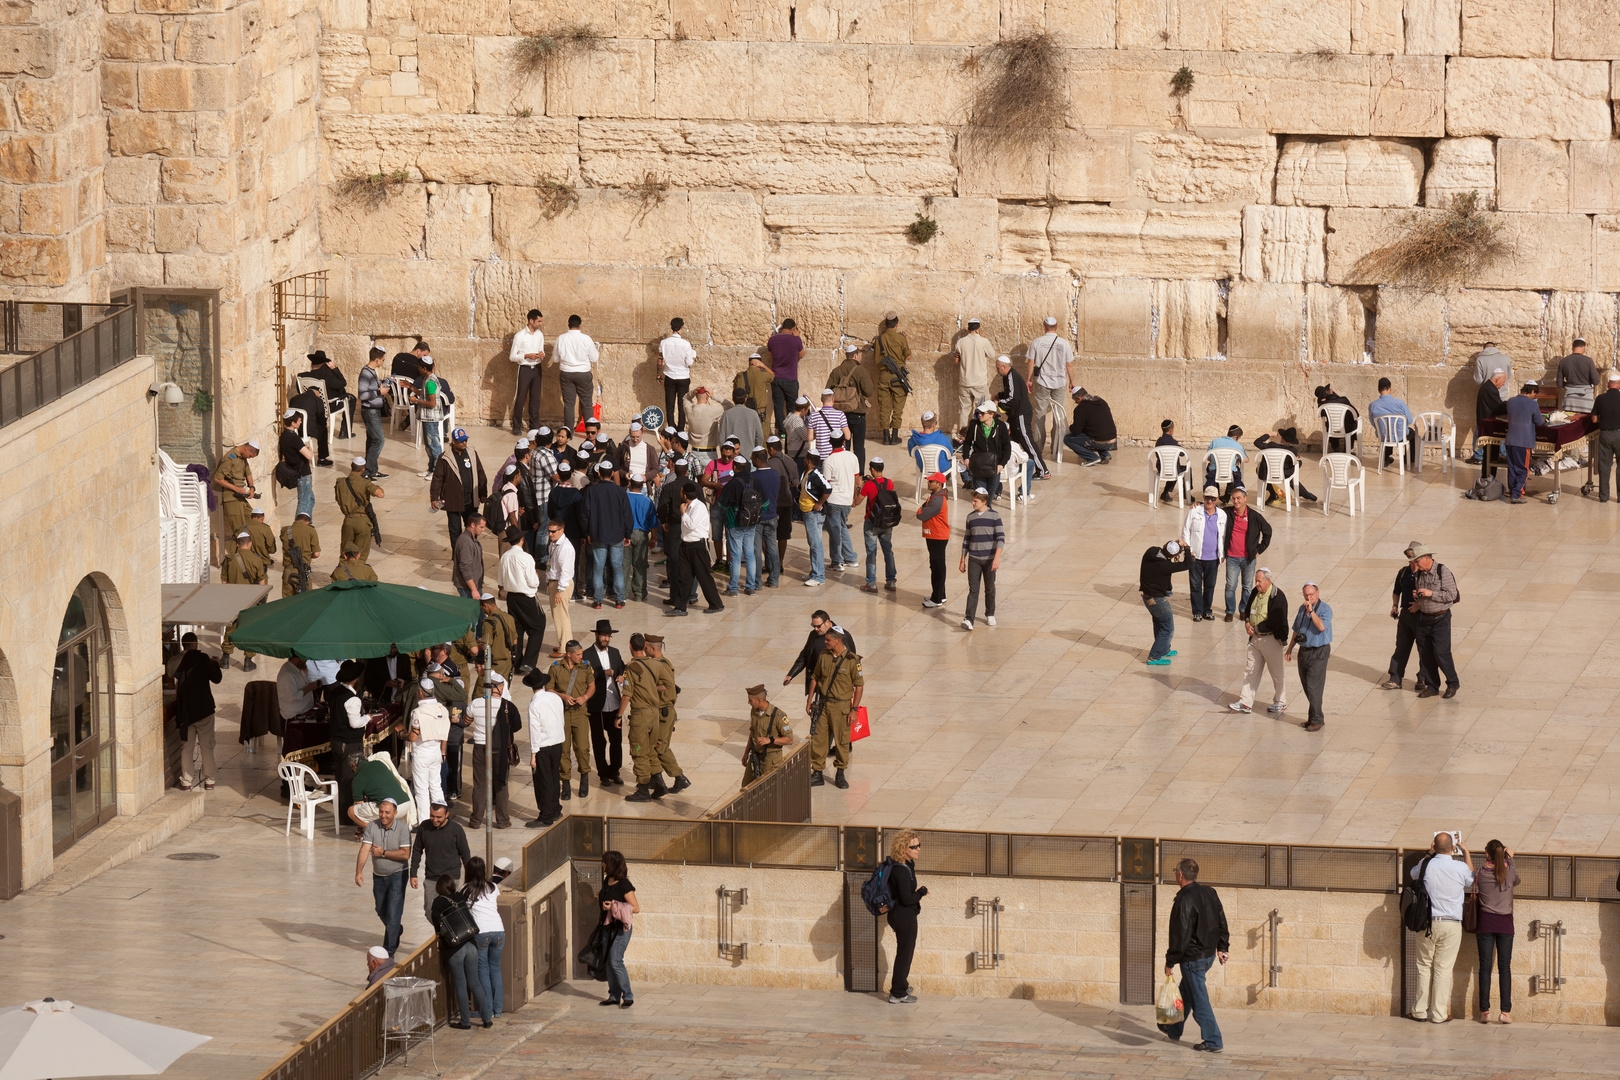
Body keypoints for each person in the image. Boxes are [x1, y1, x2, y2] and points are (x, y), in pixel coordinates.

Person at [1158, 857, 1228, 1053]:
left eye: (1175, 871)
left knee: (1199, 1000)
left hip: (1193, 959)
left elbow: (1179, 935)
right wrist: (1223, 947)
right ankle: (1174, 1028)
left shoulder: (1184, 899)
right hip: (1208, 956)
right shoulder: (1210, 892)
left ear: (1180, 874)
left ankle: (1213, 1041)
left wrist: (1170, 961)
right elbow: (1222, 921)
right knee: (1186, 991)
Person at [1408, 832, 1477, 1024]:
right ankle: (1438, 1014)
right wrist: (1466, 853)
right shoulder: (1460, 867)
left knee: (1423, 966)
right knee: (1443, 969)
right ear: (1453, 847)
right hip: (1451, 924)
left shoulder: (1425, 864)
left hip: (1426, 922)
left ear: (1434, 846)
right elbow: (1472, 880)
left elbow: (1413, 874)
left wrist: (1429, 854)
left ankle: (1420, 1011)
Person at [806, 624, 863, 789]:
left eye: (828, 640)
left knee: (842, 741)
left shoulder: (853, 660)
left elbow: (859, 686)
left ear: (838, 640)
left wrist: (854, 709)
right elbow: (815, 677)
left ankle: (840, 774)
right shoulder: (824, 655)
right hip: (823, 704)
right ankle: (817, 772)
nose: (825, 642)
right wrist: (809, 701)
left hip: (842, 707)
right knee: (818, 739)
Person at [354, 797, 411, 959]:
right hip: (378, 876)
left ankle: (389, 951)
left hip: (398, 875)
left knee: (393, 913)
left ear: (395, 813)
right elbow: (365, 849)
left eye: (387, 812)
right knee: (380, 909)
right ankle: (396, 930)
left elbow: (405, 854)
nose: (383, 815)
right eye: (381, 812)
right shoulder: (372, 826)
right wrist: (359, 871)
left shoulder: (403, 829)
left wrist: (383, 853)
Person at [1230, 567, 1288, 715]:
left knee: (1276, 672)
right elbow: (1248, 608)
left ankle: (1280, 702)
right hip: (1255, 640)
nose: (1256, 584)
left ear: (1267, 580)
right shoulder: (1256, 592)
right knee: (1250, 670)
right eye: (1256, 581)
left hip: (1271, 640)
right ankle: (1245, 702)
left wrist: (1256, 629)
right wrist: (1248, 623)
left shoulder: (1278, 596)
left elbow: (1276, 621)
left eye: (1259, 581)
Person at [465, 670, 517, 830]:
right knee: (501, 784)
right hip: (500, 749)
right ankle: (502, 820)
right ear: (500, 688)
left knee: (480, 784)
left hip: (480, 747)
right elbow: (516, 726)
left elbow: (467, 721)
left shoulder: (475, 703)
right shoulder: (507, 705)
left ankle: (476, 820)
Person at [1408, 544, 1460, 699]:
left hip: (1440, 619)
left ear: (1426, 558)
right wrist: (1418, 596)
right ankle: (1432, 686)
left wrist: (1431, 593)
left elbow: (1451, 595)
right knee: (1425, 654)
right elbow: (1422, 596)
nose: (1415, 565)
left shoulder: (1442, 571)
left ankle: (1452, 683)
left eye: (1417, 561)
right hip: (1424, 619)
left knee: (1441, 653)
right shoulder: (1419, 574)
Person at [171, 632, 222, 791]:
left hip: (185, 712)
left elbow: (169, 678)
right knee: (207, 746)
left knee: (187, 747)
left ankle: (186, 781)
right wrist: (215, 664)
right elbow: (216, 678)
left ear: (182, 644)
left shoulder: (174, 661)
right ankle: (210, 780)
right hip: (204, 710)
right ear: (194, 644)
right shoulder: (203, 658)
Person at [619, 633, 667, 803]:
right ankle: (659, 782)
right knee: (651, 750)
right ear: (644, 647)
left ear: (631, 647)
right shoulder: (656, 664)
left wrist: (618, 716)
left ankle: (643, 789)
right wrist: (650, 690)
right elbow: (666, 685)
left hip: (640, 717)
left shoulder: (631, 667)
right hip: (654, 715)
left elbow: (626, 695)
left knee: (638, 751)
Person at [1476, 839, 1520, 1024]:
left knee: (1485, 968)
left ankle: (1485, 1012)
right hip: (1505, 924)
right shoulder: (1508, 872)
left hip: (1485, 922)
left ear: (1487, 854)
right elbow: (1517, 880)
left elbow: (1472, 879)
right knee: (1505, 968)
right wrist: (1510, 859)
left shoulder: (1480, 873)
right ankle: (1505, 1012)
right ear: (1503, 854)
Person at [883, 829, 927, 1004]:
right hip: (903, 916)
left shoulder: (906, 864)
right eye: (913, 846)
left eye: (918, 845)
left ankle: (901, 985)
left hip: (902, 915)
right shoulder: (901, 870)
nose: (918, 849)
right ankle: (898, 993)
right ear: (903, 848)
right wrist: (922, 891)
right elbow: (907, 899)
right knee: (904, 954)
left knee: (904, 952)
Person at [548, 639, 594, 802]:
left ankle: (584, 778)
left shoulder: (585, 667)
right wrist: (564, 696)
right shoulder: (555, 668)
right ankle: (565, 783)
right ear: (568, 654)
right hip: (562, 713)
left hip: (580, 713)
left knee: (582, 747)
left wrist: (585, 697)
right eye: (578, 654)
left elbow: (591, 686)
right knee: (563, 749)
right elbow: (549, 689)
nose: (581, 656)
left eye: (581, 654)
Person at [668, 481, 724, 616]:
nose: (680, 494)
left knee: (704, 576)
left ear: (685, 495)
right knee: (684, 577)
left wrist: (683, 513)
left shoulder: (699, 507)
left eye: (681, 492)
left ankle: (716, 604)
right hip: (686, 546)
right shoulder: (688, 506)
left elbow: (691, 525)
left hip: (697, 547)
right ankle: (680, 607)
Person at [582, 460, 632, 609]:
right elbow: (627, 515)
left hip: (598, 534)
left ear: (598, 473)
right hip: (617, 535)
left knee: (598, 568)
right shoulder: (620, 491)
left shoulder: (591, 491)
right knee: (617, 567)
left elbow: (585, 515)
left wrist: (587, 533)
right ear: (611, 474)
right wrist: (627, 534)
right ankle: (619, 599)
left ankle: (598, 600)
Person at [430, 874, 478, 1028]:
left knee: (460, 985)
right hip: (470, 942)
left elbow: (436, 920)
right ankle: (487, 1019)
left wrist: (440, 932)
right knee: (475, 983)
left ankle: (465, 1022)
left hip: (455, 947)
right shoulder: (459, 896)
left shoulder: (438, 901)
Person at [462, 856, 505, 1027]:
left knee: (483, 970)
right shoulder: (493, 886)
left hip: (482, 933)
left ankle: (485, 1009)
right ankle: (498, 1009)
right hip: (499, 931)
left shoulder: (465, 889)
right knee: (495, 968)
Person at [409, 803, 469, 923]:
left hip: (451, 879)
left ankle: (447, 935)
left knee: (450, 910)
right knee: (429, 910)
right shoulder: (424, 827)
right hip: (432, 877)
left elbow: (465, 854)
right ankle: (443, 931)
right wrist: (413, 873)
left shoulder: (456, 830)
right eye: (432, 816)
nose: (434, 820)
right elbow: (417, 850)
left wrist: (469, 880)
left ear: (447, 815)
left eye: (438, 817)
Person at [1284, 582, 1332, 732]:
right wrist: (1290, 648)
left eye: (1311, 594)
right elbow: (1296, 630)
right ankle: (1312, 717)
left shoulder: (1325, 609)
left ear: (1317, 593)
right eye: (1306, 595)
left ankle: (1318, 719)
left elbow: (1321, 627)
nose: (1308, 597)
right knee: (1307, 686)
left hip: (1318, 651)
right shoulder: (1301, 608)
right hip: (1304, 651)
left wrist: (1311, 612)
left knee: (1314, 687)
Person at [1026, 316, 1073, 466]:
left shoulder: (1037, 342)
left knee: (1040, 414)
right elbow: (1069, 365)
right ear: (1056, 327)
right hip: (1059, 382)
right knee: (1058, 415)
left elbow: (1031, 363)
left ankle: (1038, 448)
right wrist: (1073, 382)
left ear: (1044, 326)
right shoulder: (1064, 343)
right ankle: (1055, 448)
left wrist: (1028, 380)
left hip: (1043, 382)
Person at [1220, 487, 1270, 622]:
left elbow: (1268, 531)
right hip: (1232, 557)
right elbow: (1212, 509)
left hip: (1249, 558)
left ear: (1245, 499)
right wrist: (1198, 505)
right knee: (1230, 585)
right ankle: (1230, 611)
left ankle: (1244, 610)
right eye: (1234, 498)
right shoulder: (1227, 513)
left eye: (1238, 498)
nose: (1236, 501)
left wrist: (1259, 550)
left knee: (1247, 586)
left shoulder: (1254, 516)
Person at [430, 428, 488, 549]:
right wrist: (434, 497)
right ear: (454, 441)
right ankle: (457, 555)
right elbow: (437, 478)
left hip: (471, 501)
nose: (464, 443)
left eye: (465, 440)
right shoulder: (445, 458)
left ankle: (472, 551)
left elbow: (480, 473)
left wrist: (483, 493)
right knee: (455, 531)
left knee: (473, 528)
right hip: (453, 502)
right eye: (461, 441)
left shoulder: (472, 453)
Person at [585, 620, 626, 786]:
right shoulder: (587, 655)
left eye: (608, 636)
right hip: (596, 704)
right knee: (598, 740)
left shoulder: (615, 653)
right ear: (596, 634)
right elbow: (585, 677)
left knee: (616, 739)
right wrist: (603, 673)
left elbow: (623, 668)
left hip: (614, 702)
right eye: (603, 635)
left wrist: (622, 676)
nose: (606, 639)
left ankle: (615, 771)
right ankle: (603, 773)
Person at [219, 532, 267, 671]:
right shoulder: (257, 560)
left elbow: (224, 582)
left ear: (238, 545)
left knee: (231, 628)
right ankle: (248, 661)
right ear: (250, 543)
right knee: (250, 629)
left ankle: (225, 658)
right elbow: (262, 583)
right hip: (251, 600)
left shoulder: (229, 560)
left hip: (234, 599)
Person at [499, 529, 544, 674]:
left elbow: (500, 580)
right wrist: (537, 577)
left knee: (517, 629)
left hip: (511, 597)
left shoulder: (504, 557)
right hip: (525, 597)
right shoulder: (526, 557)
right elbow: (532, 582)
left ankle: (517, 662)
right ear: (522, 540)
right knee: (537, 627)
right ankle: (529, 662)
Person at [598, 849, 639, 1008]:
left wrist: (613, 906)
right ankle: (613, 996)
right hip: (607, 927)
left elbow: (635, 908)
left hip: (622, 928)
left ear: (612, 864)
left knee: (615, 961)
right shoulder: (607, 880)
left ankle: (627, 995)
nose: (603, 864)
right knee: (609, 962)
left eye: (605, 862)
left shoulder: (624, 884)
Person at [524, 667, 565, 827]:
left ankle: (546, 815)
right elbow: (561, 718)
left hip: (543, 746)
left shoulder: (534, 705)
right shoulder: (554, 697)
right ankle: (555, 809)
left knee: (543, 781)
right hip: (557, 742)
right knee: (554, 777)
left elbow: (534, 731)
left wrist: (534, 754)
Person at [958, 486, 1003, 631]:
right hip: (974, 559)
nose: (973, 503)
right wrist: (962, 559)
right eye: (972, 501)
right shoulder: (970, 517)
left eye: (975, 501)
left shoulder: (995, 516)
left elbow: (1001, 538)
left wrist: (997, 558)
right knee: (973, 590)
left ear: (984, 501)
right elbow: (967, 539)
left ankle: (990, 613)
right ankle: (968, 619)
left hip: (990, 559)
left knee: (989, 588)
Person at [995, 355, 1044, 485]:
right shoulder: (1008, 377)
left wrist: (998, 403)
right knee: (1011, 441)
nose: (997, 370)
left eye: (998, 368)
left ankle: (1043, 470)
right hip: (1015, 415)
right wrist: (999, 395)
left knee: (1027, 441)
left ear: (1004, 367)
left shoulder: (1011, 376)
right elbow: (1010, 393)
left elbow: (1013, 399)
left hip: (1021, 414)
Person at [1139, 540, 1190, 666]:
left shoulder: (1151, 551)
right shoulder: (1165, 566)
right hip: (1157, 600)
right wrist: (1187, 548)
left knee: (1159, 623)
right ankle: (1154, 656)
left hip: (1147, 598)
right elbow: (1188, 564)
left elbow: (1164, 553)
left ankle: (1164, 649)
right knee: (1167, 627)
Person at [407, 678, 451, 823]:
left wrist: (402, 734)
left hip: (422, 753)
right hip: (436, 752)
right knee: (436, 786)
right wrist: (443, 751)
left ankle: (425, 822)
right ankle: (441, 818)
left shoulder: (418, 712)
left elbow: (413, 737)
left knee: (421, 790)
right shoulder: (442, 710)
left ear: (420, 692)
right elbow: (445, 733)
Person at [1380, 542, 1422, 691]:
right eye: (1409, 557)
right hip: (1405, 615)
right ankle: (1395, 678)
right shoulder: (1403, 572)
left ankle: (1422, 679)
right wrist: (1394, 606)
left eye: (1413, 556)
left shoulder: (1425, 573)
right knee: (1401, 647)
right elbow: (1396, 590)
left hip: (1421, 615)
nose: (1411, 560)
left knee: (1424, 648)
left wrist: (1419, 605)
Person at [719, 459, 765, 595]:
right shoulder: (755, 482)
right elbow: (765, 503)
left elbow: (722, 504)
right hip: (751, 524)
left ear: (734, 467)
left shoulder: (731, 484)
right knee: (750, 554)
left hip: (735, 524)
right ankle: (750, 587)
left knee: (736, 556)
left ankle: (733, 588)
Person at [1181, 487, 1226, 622]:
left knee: (1209, 586)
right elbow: (1186, 530)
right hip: (1196, 556)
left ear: (1217, 499)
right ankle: (1197, 612)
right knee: (1195, 585)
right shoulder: (1194, 511)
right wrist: (1189, 551)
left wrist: (1222, 553)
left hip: (1213, 557)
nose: (1209, 501)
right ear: (1203, 497)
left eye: (1213, 499)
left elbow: (1223, 536)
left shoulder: (1223, 515)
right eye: (1207, 498)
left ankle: (1207, 610)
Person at [855, 457, 898, 594]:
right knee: (888, 550)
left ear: (872, 469)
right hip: (886, 522)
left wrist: (859, 486)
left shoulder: (868, 485)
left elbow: (856, 502)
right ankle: (891, 581)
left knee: (871, 552)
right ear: (883, 468)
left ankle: (871, 583)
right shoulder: (889, 482)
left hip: (872, 522)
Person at [829, 343, 875, 469]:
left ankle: (844, 471)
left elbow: (828, 391)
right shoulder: (861, 371)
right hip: (858, 412)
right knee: (859, 447)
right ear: (856, 355)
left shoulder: (836, 371)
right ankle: (858, 475)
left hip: (840, 413)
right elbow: (869, 391)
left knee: (843, 445)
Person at [784, 611, 855, 692]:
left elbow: (852, 660)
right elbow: (805, 655)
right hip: (819, 683)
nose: (816, 629)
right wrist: (791, 674)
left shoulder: (843, 636)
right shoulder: (813, 635)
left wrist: (853, 684)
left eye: (818, 626)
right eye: (813, 626)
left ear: (827, 622)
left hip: (837, 684)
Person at [741, 684, 793, 788]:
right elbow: (752, 733)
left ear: (759, 700)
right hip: (755, 755)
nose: (749, 703)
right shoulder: (754, 711)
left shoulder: (779, 715)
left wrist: (771, 740)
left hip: (770, 758)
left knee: (768, 788)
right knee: (746, 787)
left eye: (750, 700)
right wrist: (746, 753)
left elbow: (789, 739)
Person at [1503, 382, 1547, 503]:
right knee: (1523, 469)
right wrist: (1543, 417)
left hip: (1510, 440)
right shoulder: (1532, 404)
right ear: (1532, 392)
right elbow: (1539, 422)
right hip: (1523, 441)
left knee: (1512, 468)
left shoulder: (1511, 401)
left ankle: (1512, 491)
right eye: (1535, 394)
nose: (1535, 397)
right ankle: (1518, 494)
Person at [335, 458, 384, 565]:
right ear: (363, 470)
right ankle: (358, 575)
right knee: (361, 554)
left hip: (348, 520)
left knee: (345, 552)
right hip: (363, 521)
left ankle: (342, 576)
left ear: (351, 466)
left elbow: (339, 501)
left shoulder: (340, 483)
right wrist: (378, 487)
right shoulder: (365, 483)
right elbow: (380, 494)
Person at [554, 314, 599, 430]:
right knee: (587, 404)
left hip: (566, 374)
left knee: (569, 404)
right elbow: (594, 358)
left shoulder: (561, 338)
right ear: (580, 326)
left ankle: (568, 433)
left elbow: (555, 359)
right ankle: (591, 432)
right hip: (583, 374)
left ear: (568, 325)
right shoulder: (586, 339)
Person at [822, 434, 860, 573]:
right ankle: (850, 558)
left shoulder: (828, 461)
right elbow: (857, 480)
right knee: (841, 528)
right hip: (847, 501)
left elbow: (826, 484)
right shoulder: (852, 457)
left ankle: (837, 561)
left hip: (834, 500)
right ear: (844, 441)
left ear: (829, 441)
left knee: (835, 531)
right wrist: (855, 497)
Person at [959, 399, 1011, 499]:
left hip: (994, 466)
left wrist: (1001, 465)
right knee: (980, 497)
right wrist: (966, 458)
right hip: (978, 465)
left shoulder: (1001, 426)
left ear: (991, 414)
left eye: (983, 413)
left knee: (989, 499)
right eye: (979, 412)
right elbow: (967, 443)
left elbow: (1007, 448)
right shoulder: (974, 425)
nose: (979, 415)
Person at [873, 311, 911, 445]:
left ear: (885, 325)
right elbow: (909, 355)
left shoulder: (878, 340)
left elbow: (876, 360)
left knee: (884, 407)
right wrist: (904, 338)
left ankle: (886, 437)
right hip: (898, 376)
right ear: (897, 324)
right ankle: (894, 436)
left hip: (884, 376)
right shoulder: (901, 338)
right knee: (898, 407)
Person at [212, 439, 259, 542]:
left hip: (241, 498)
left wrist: (252, 488)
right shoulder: (230, 457)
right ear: (247, 449)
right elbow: (217, 478)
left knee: (255, 523)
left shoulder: (243, 457)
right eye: (250, 456)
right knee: (240, 533)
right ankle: (239, 556)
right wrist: (236, 488)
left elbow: (248, 474)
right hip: (232, 498)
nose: (249, 458)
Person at [952, 318, 994, 428]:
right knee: (982, 409)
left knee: (964, 411)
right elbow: (992, 355)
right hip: (979, 382)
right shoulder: (983, 341)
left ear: (968, 328)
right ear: (979, 328)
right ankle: (982, 434)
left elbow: (956, 360)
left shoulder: (961, 342)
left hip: (965, 381)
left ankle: (963, 436)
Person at [408, 357, 446, 476]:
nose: (418, 369)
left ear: (424, 368)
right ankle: (431, 468)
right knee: (428, 446)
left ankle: (437, 471)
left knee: (434, 445)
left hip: (431, 418)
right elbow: (424, 394)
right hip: (427, 418)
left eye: (419, 367)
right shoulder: (426, 379)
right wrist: (410, 387)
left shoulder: (430, 382)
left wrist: (416, 401)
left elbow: (432, 403)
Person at [917, 472, 950, 609]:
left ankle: (936, 598)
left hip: (937, 536)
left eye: (931, 481)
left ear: (939, 484)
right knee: (936, 566)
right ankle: (940, 595)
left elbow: (920, 514)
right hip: (934, 535)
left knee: (938, 568)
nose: (928, 483)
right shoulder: (935, 496)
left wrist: (921, 509)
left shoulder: (937, 500)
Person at [510, 308, 546, 433]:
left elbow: (542, 350)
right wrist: (526, 355)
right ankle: (516, 426)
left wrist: (541, 354)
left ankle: (534, 425)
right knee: (521, 397)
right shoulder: (519, 336)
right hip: (524, 369)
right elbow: (512, 356)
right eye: (539, 321)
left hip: (537, 368)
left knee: (535, 398)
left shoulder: (540, 335)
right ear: (531, 321)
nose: (541, 324)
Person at [766, 318, 805, 435]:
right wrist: (797, 336)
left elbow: (771, 357)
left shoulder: (772, 340)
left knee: (778, 406)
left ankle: (781, 432)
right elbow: (802, 355)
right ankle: (791, 432)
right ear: (793, 329)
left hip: (776, 378)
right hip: (791, 379)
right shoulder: (796, 340)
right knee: (792, 407)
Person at [1368, 377, 1417, 467]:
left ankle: (1386, 458)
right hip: (1400, 436)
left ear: (1378, 390)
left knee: (1387, 431)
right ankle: (1409, 459)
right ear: (1390, 388)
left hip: (1383, 436)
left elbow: (1373, 422)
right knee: (1412, 433)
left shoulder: (1372, 405)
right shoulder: (1399, 403)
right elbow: (1410, 420)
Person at [1063, 386, 1117, 466]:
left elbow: (1076, 431)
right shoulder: (1101, 401)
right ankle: (1105, 455)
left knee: (1068, 439)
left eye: (1076, 401)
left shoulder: (1080, 408)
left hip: (1100, 441)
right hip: (1113, 441)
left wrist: (1070, 428)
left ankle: (1092, 457)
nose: (1076, 403)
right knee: (1097, 433)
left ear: (1079, 398)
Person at [799, 451, 831, 587]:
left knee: (816, 544)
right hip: (807, 513)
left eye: (806, 458)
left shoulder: (816, 474)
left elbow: (828, 488)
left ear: (809, 460)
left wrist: (819, 504)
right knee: (813, 543)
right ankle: (815, 572)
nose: (804, 460)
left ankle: (819, 576)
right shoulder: (807, 473)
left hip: (814, 514)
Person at [356, 347, 388, 479]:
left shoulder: (372, 372)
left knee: (371, 440)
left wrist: (383, 383)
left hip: (374, 410)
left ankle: (372, 470)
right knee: (379, 440)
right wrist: (379, 392)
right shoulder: (366, 373)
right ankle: (368, 470)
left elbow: (371, 387)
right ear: (377, 360)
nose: (383, 362)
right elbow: (362, 395)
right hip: (370, 411)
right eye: (383, 360)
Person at [545, 518, 575, 656]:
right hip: (555, 582)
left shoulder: (565, 548)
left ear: (561, 530)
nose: (550, 534)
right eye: (549, 531)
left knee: (561, 617)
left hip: (561, 584)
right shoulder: (554, 544)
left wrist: (560, 590)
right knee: (559, 616)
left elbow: (566, 571)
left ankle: (565, 648)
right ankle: (563, 644)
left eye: (553, 532)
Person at [658, 317, 695, 431]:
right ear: (681, 327)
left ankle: (671, 428)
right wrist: (693, 357)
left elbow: (660, 359)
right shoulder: (686, 344)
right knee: (682, 405)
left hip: (669, 376)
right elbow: (689, 362)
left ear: (671, 327)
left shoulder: (664, 343)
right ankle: (680, 429)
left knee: (670, 404)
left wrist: (658, 374)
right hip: (683, 377)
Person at [279, 409, 316, 519]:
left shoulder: (284, 435)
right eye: (299, 421)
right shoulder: (294, 438)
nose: (300, 422)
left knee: (310, 499)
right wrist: (310, 449)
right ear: (292, 423)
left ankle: (307, 523)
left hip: (297, 472)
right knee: (303, 502)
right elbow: (309, 456)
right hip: (303, 474)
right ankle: (299, 527)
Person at [1593, 371, 1620, 502]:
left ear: (1608, 384)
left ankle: (1603, 496)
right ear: (1619, 386)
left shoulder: (1600, 398)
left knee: (1604, 466)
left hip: (1605, 435)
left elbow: (1593, 419)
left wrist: (1603, 419)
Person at [734, 351, 775, 436]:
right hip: (761, 412)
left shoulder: (740, 376)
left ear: (749, 363)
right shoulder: (763, 375)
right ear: (759, 363)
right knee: (762, 436)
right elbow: (773, 376)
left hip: (744, 411)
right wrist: (763, 366)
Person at [1475, 367, 1510, 468]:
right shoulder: (1489, 389)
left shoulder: (1489, 387)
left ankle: (1489, 478)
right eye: (1503, 381)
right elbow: (1497, 407)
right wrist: (1512, 405)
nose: (1503, 384)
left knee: (1491, 454)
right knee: (1490, 455)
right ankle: (1488, 478)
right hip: (1488, 426)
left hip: (1488, 425)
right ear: (1497, 379)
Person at [281, 511, 321, 597]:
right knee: (306, 600)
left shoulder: (285, 530)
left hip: (288, 571)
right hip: (303, 571)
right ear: (308, 522)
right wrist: (308, 556)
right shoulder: (310, 531)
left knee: (286, 602)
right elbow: (317, 554)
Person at [807, 387, 852, 461]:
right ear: (833, 399)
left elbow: (809, 438)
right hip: (837, 455)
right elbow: (847, 436)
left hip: (821, 456)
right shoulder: (840, 415)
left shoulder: (814, 416)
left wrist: (819, 433)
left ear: (821, 400)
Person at [686, 386, 724, 470]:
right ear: (707, 397)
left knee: (695, 482)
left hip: (695, 452)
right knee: (712, 481)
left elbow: (685, 398)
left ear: (696, 396)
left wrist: (692, 392)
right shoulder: (712, 410)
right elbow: (729, 405)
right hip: (710, 453)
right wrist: (713, 395)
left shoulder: (689, 409)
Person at [1314, 384, 1360, 454]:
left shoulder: (1323, 406)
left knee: (1329, 424)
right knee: (1353, 423)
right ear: (1331, 391)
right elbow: (1356, 414)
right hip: (1347, 429)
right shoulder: (1344, 400)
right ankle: (1347, 450)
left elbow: (1321, 414)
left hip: (1332, 430)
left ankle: (1336, 449)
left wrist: (1322, 402)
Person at [1556, 337, 1598, 412]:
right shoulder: (1589, 361)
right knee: (1586, 422)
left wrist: (1568, 385)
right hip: (1586, 400)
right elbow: (1596, 381)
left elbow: (1559, 383)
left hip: (1570, 399)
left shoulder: (1563, 361)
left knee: (1570, 422)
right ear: (1584, 347)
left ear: (1572, 347)